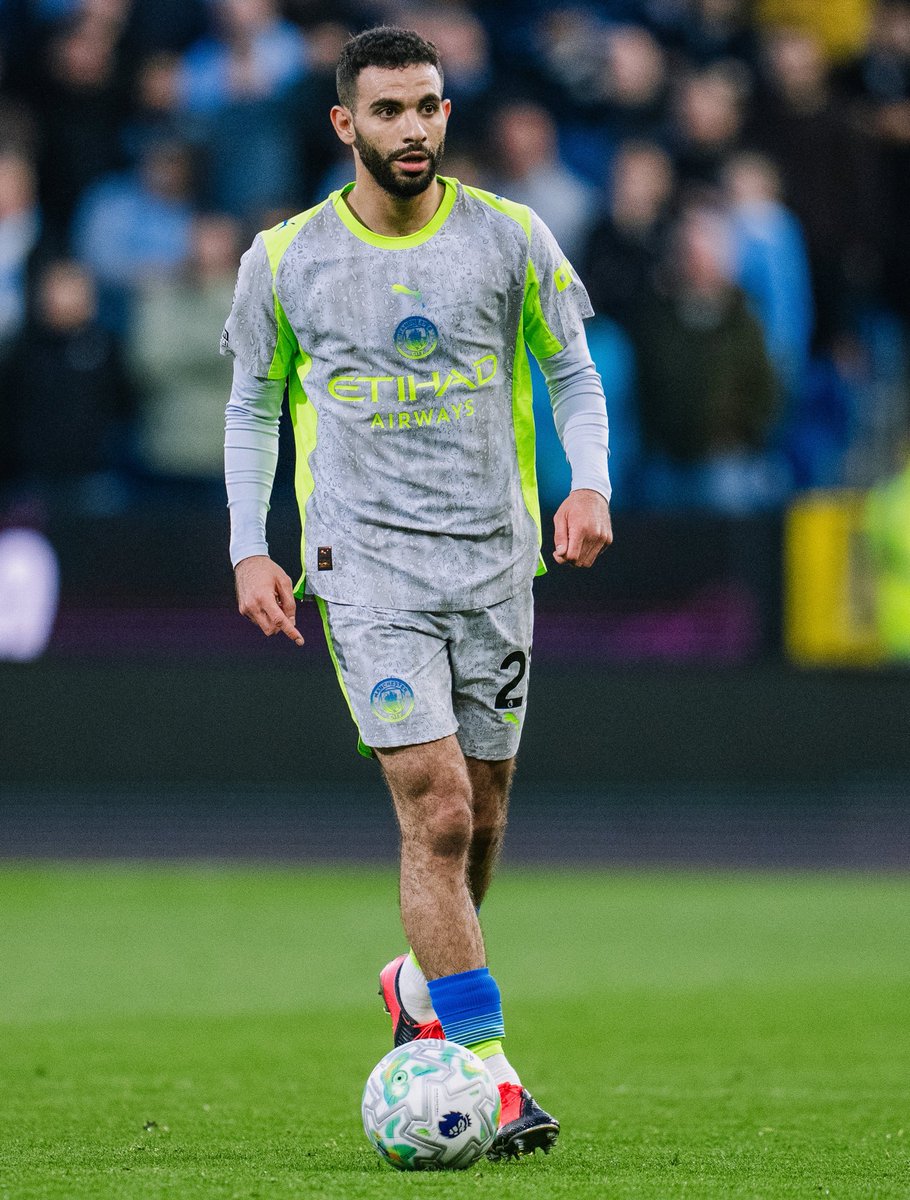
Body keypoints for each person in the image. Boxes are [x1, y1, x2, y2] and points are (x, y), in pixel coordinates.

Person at [221, 26, 613, 1161]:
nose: (412, 128)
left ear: (447, 113)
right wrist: (250, 547)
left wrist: (589, 483)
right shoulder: (285, 259)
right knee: (435, 811)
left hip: (493, 562)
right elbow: (251, 409)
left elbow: (572, 371)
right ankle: (492, 1075)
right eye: (387, 110)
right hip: (365, 568)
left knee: (481, 816)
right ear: (344, 123)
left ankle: (420, 982)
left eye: (427, 106)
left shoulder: (510, 236)